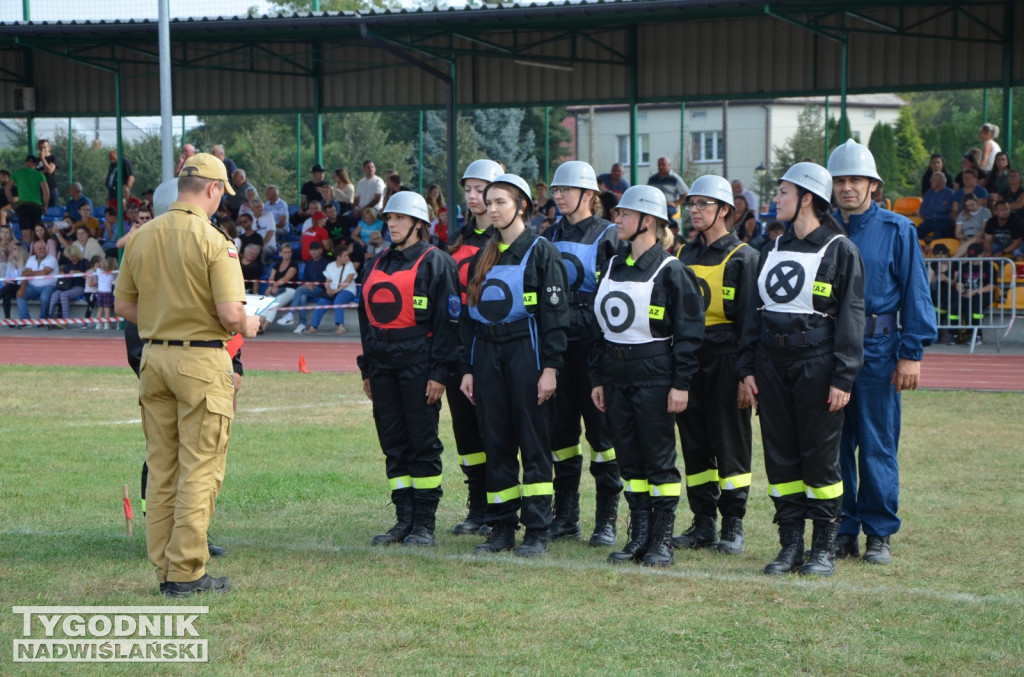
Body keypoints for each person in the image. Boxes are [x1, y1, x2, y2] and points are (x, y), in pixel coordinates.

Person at [113, 153, 259, 597]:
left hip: (154, 359)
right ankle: (187, 571)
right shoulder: (216, 241)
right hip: (200, 362)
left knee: (162, 469)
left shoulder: (141, 237)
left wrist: (165, 318)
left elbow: (123, 306)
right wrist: (250, 324)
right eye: (222, 195)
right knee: (200, 468)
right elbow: (232, 313)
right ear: (214, 189)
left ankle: (164, 567)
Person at [737, 161, 865, 577]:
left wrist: (843, 375)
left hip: (817, 363)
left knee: (820, 457)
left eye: (783, 193)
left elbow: (852, 314)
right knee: (780, 456)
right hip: (771, 364)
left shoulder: (840, 249)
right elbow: (754, 313)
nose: (776, 199)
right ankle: (789, 545)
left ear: (807, 198)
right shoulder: (770, 249)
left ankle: (823, 549)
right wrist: (748, 367)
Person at [828, 139, 937, 565]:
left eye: (856, 179)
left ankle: (878, 532)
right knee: (835, 445)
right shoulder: (823, 232)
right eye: (840, 180)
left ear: (873, 185)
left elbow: (916, 293)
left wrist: (912, 353)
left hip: (879, 349)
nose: (847, 187)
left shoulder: (898, 230)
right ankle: (843, 527)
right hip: (831, 352)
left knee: (876, 445)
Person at [590, 185, 703, 567]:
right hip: (616, 374)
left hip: (656, 375)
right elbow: (598, 329)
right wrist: (598, 379)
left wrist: (681, 384)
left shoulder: (673, 271)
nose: (616, 219)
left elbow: (690, 334)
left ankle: (662, 540)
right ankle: (639, 535)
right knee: (630, 462)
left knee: (659, 460)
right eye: (617, 213)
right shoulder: (610, 265)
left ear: (648, 222)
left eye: (624, 214)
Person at [460, 173, 569, 557]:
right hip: (487, 356)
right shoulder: (483, 254)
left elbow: (556, 317)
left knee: (534, 443)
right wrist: (469, 368)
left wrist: (551, 368)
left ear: (522, 205)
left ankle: (537, 529)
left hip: (528, 352)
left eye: (500, 202)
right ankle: (502, 527)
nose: (491, 209)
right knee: (496, 441)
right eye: (488, 202)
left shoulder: (542, 251)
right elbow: (469, 317)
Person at [358, 190, 459, 548]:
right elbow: (365, 320)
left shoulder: (437, 262)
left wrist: (439, 373)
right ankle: (403, 520)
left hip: (419, 368)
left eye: (399, 218)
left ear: (419, 223)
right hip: (383, 367)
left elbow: (449, 323)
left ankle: (424, 525)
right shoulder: (376, 262)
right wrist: (367, 368)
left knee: (422, 443)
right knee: (394, 444)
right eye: (389, 218)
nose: (392, 224)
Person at [673, 175, 760, 554]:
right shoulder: (682, 256)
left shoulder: (744, 257)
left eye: (703, 204)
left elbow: (751, 325)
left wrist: (746, 375)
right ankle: (703, 522)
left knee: (731, 444)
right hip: (690, 362)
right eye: (691, 204)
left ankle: (733, 525)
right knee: (694, 444)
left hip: (728, 360)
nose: (694, 210)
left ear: (725, 210)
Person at [546, 160, 622, 547]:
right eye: (556, 190)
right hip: (558, 351)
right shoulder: (546, 237)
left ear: (589, 195)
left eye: (566, 190)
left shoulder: (610, 236)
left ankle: (606, 520)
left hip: (595, 352)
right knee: (560, 436)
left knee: (603, 438)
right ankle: (566, 516)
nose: (558, 196)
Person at [445, 158, 503, 535]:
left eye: (480, 189)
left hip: (495, 349)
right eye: (468, 189)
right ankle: (477, 507)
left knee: (495, 429)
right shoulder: (457, 242)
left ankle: (500, 508)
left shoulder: (510, 243)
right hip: (459, 350)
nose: (473, 196)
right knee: (467, 433)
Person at [310, 244, 357, 335]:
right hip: (334, 291)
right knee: (321, 303)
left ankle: (341, 326)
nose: (347, 258)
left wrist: (337, 290)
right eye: (345, 256)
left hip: (347, 290)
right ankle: (313, 326)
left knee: (338, 302)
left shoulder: (349, 265)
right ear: (338, 257)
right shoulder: (330, 266)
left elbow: (348, 280)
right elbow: (327, 281)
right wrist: (328, 290)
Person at [16, 239, 59, 322]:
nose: (42, 250)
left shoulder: (52, 259)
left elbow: (44, 272)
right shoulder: (31, 259)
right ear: (34, 250)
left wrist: (29, 272)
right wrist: (22, 287)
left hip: (49, 286)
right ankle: (25, 320)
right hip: (32, 287)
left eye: (44, 248)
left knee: (44, 298)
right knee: (20, 296)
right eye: (40, 249)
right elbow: (25, 275)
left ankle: (43, 320)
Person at [260, 243, 300, 329]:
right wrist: (271, 287)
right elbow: (271, 278)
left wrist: (273, 286)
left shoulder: (294, 265)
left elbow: (286, 278)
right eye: (285, 252)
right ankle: (259, 325)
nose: (287, 254)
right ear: (280, 253)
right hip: (276, 288)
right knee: (266, 303)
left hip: (290, 290)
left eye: (289, 252)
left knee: (274, 304)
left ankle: (264, 327)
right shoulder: (276, 265)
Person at [6, 156, 49, 233]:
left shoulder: (17, 173)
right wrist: (45, 206)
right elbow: (46, 192)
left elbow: (7, 188)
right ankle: (33, 245)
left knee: (25, 232)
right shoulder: (40, 175)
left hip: (22, 206)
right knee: (35, 232)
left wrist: (11, 202)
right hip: (35, 205)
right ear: (35, 164)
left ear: (25, 163)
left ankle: (27, 245)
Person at [647, 157, 689, 223]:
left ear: (669, 165)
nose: (660, 167)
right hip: (654, 205)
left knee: (665, 215)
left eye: (663, 165)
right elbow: (648, 193)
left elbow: (686, 193)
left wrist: (675, 203)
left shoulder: (675, 179)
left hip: (669, 207)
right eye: (659, 165)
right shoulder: (652, 179)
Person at [918, 172, 957, 240]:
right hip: (929, 221)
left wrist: (930, 208)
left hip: (944, 221)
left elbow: (945, 208)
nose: (931, 181)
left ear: (941, 182)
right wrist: (939, 207)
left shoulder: (950, 193)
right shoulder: (928, 193)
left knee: (939, 233)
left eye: (934, 180)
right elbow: (922, 210)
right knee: (914, 232)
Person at [36, 139, 59, 208]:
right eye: (40, 148)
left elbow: (50, 170)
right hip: (39, 189)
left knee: (52, 209)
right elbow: (34, 173)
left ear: (49, 148)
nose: (42, 150)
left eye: (44, 148)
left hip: (51, 188)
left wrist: (43, 159)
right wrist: (43, 171)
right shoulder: (36, 160)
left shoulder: (53, 158)